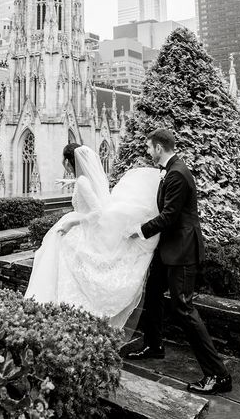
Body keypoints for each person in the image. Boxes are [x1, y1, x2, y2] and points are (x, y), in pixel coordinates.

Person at [126, 128, 232, 396]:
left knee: (183, 308)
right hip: (169, 248)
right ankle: (154, 345)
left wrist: (138, 230)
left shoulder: (177, 174)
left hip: (182, 250)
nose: (148, 152)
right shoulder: (171, 170)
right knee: (152, 293)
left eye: (149, 147)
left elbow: (170, 216)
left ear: (159, 148)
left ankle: (218, 375)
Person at [24, 142, 161, 333]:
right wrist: (70, 183)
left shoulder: (82, 181)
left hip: (83, 226)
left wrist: (73, 222)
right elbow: (87, 186)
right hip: (86, 224)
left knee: (57, 252)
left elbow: (97, 211)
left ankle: (57, 309)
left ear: (67, 162)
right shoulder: (85, 178)